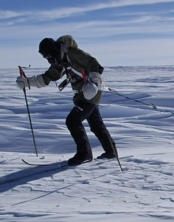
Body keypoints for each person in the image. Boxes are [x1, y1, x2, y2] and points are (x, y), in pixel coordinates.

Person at [16, 35, 118, 165]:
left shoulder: (73, 53)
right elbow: (49, 77)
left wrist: (93, 83)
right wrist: (28, 82)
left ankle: (84, 154)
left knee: (73, 121)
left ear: (54, 50)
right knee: (96, 125)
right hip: (81, 95)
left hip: (90, 93)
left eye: (47, 55)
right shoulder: (60, 60)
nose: (47, 59)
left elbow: (96, 66)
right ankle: (111, 152)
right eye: (44, 56)